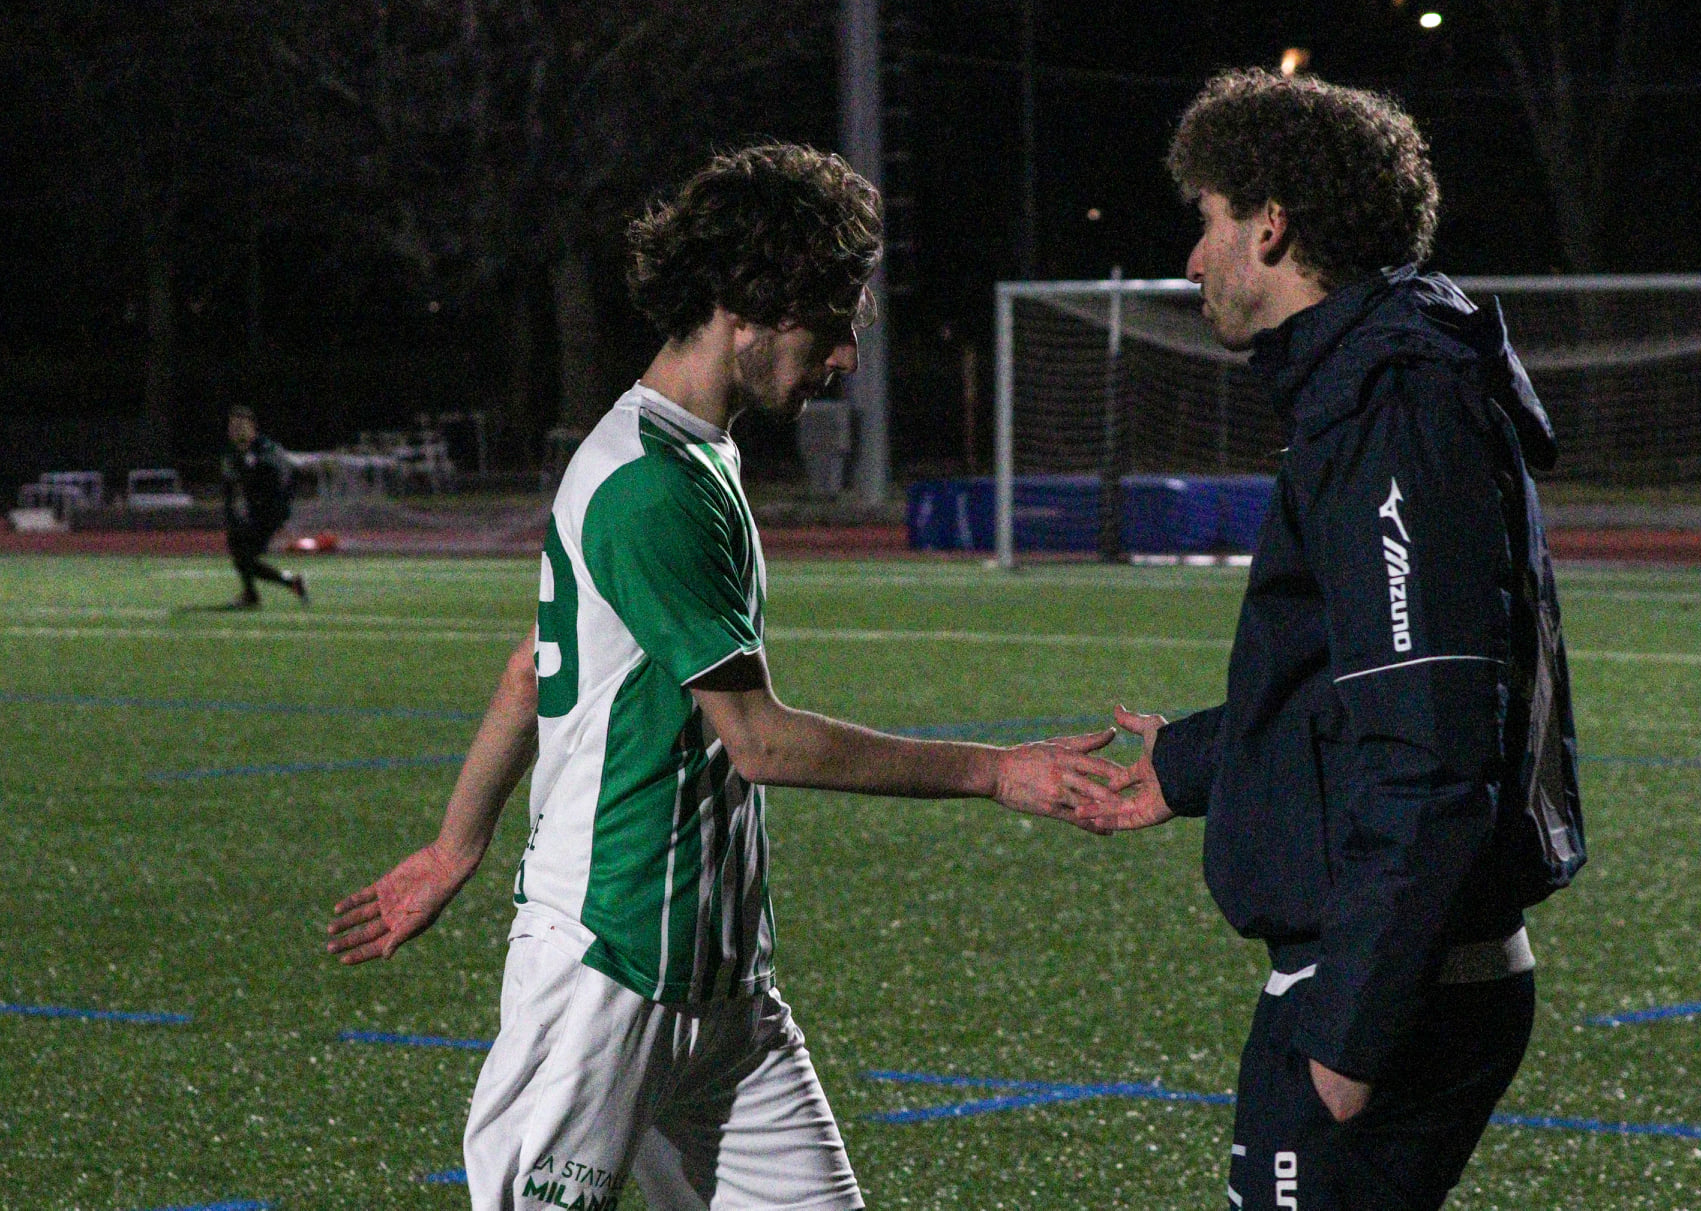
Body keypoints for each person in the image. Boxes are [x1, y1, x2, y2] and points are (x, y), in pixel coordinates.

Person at [326, 144, 1130, 1211]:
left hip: (718, 980)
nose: (848, 353)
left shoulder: (687, 453)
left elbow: (532, 667)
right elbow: (757, 738)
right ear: (744, 308)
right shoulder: (651, 486)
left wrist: (452, 846)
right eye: (831, 320)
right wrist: (991, 771)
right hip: (610, 966)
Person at [1090, 70, 1585, 1210]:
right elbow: (1368, 685)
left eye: (1207, 220)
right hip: (1404, 972)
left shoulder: (1392, 400)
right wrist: (1194, 763)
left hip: (1393, 987)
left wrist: (1349, 1035)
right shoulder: (1375, 383)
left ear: (1270, 223)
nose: (1194, 259)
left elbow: (1432, 733)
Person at [221, 405, 305, 608]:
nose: (237, 430)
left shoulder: (266, 449)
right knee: (242, 556)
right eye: (233, 426)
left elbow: (283, 474)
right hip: (253, 512)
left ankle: (254, 595)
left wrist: (281, 510)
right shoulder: (233, 455)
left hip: (270, 512)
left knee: (244, 556)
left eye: (241, 426)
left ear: (253, 428)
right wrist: (232, 515)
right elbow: (230, 489)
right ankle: (289, 583)